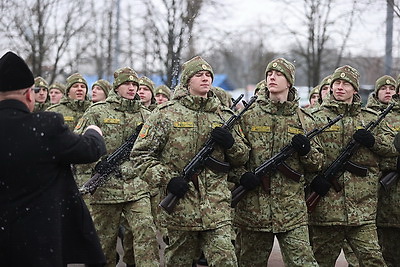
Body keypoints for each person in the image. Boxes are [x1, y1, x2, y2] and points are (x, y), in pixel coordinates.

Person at [131, 56, 250, 266]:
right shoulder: (165, 114)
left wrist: (231, 144)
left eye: (208, 75)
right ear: (187, 81)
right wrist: (168, 180)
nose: (205, 79)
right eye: (199, 75)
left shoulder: (224, 116)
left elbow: (242, 158)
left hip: (217, 209)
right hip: (181, 209)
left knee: (226, 261)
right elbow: (140, 156)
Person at [0, 51, 107, 266]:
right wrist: (94, 132)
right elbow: (88, 151)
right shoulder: (45, 127)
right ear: (29, 95)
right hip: (39, 244)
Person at [233, 58, 322, 266]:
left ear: (289, 82)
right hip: (253, 211)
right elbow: (233, 159)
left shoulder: (304, 120)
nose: (272, 77)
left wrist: (306, 150)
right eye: (269, 74)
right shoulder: (248, 116)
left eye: (279, 74)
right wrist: (242, 177)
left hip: (291, 211)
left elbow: (317, 163)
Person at [308, 65, 397, 267]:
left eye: (345, 84)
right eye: (336, 83)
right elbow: (307, 158)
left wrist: (373, 141)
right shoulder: (315, 117)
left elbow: (393, 148)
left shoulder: (371, 119)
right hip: (326, 210)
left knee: (374, 261)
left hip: (362, 211)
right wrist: (316, 180)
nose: (340, 87)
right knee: (321, 262)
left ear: (355, 90)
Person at [74, 67, 159, 267]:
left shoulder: (147, 116)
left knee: (146, 231)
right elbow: (78, 145)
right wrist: (96, 163)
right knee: (103, 244)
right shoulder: (97, 112)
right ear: (116, 87)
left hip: (137, 187)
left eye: (134, 85)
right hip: (104, 188)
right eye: (126, 84)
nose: (131, 88)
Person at [366, 75, 400, 266]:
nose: (388, 91)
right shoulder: (376, 116)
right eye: (383, 88)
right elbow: (372, 155)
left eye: (391, 87)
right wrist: (394, 165)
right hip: (386, 197)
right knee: (386, 255)